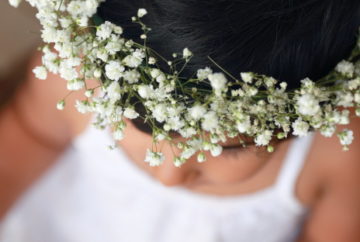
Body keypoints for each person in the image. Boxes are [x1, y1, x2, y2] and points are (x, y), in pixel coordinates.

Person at [1, 0, 360, 242]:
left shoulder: (337, 154)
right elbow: (30, 138)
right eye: (141, 124)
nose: (169, 175)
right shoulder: (76, 72)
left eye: (226, 149)